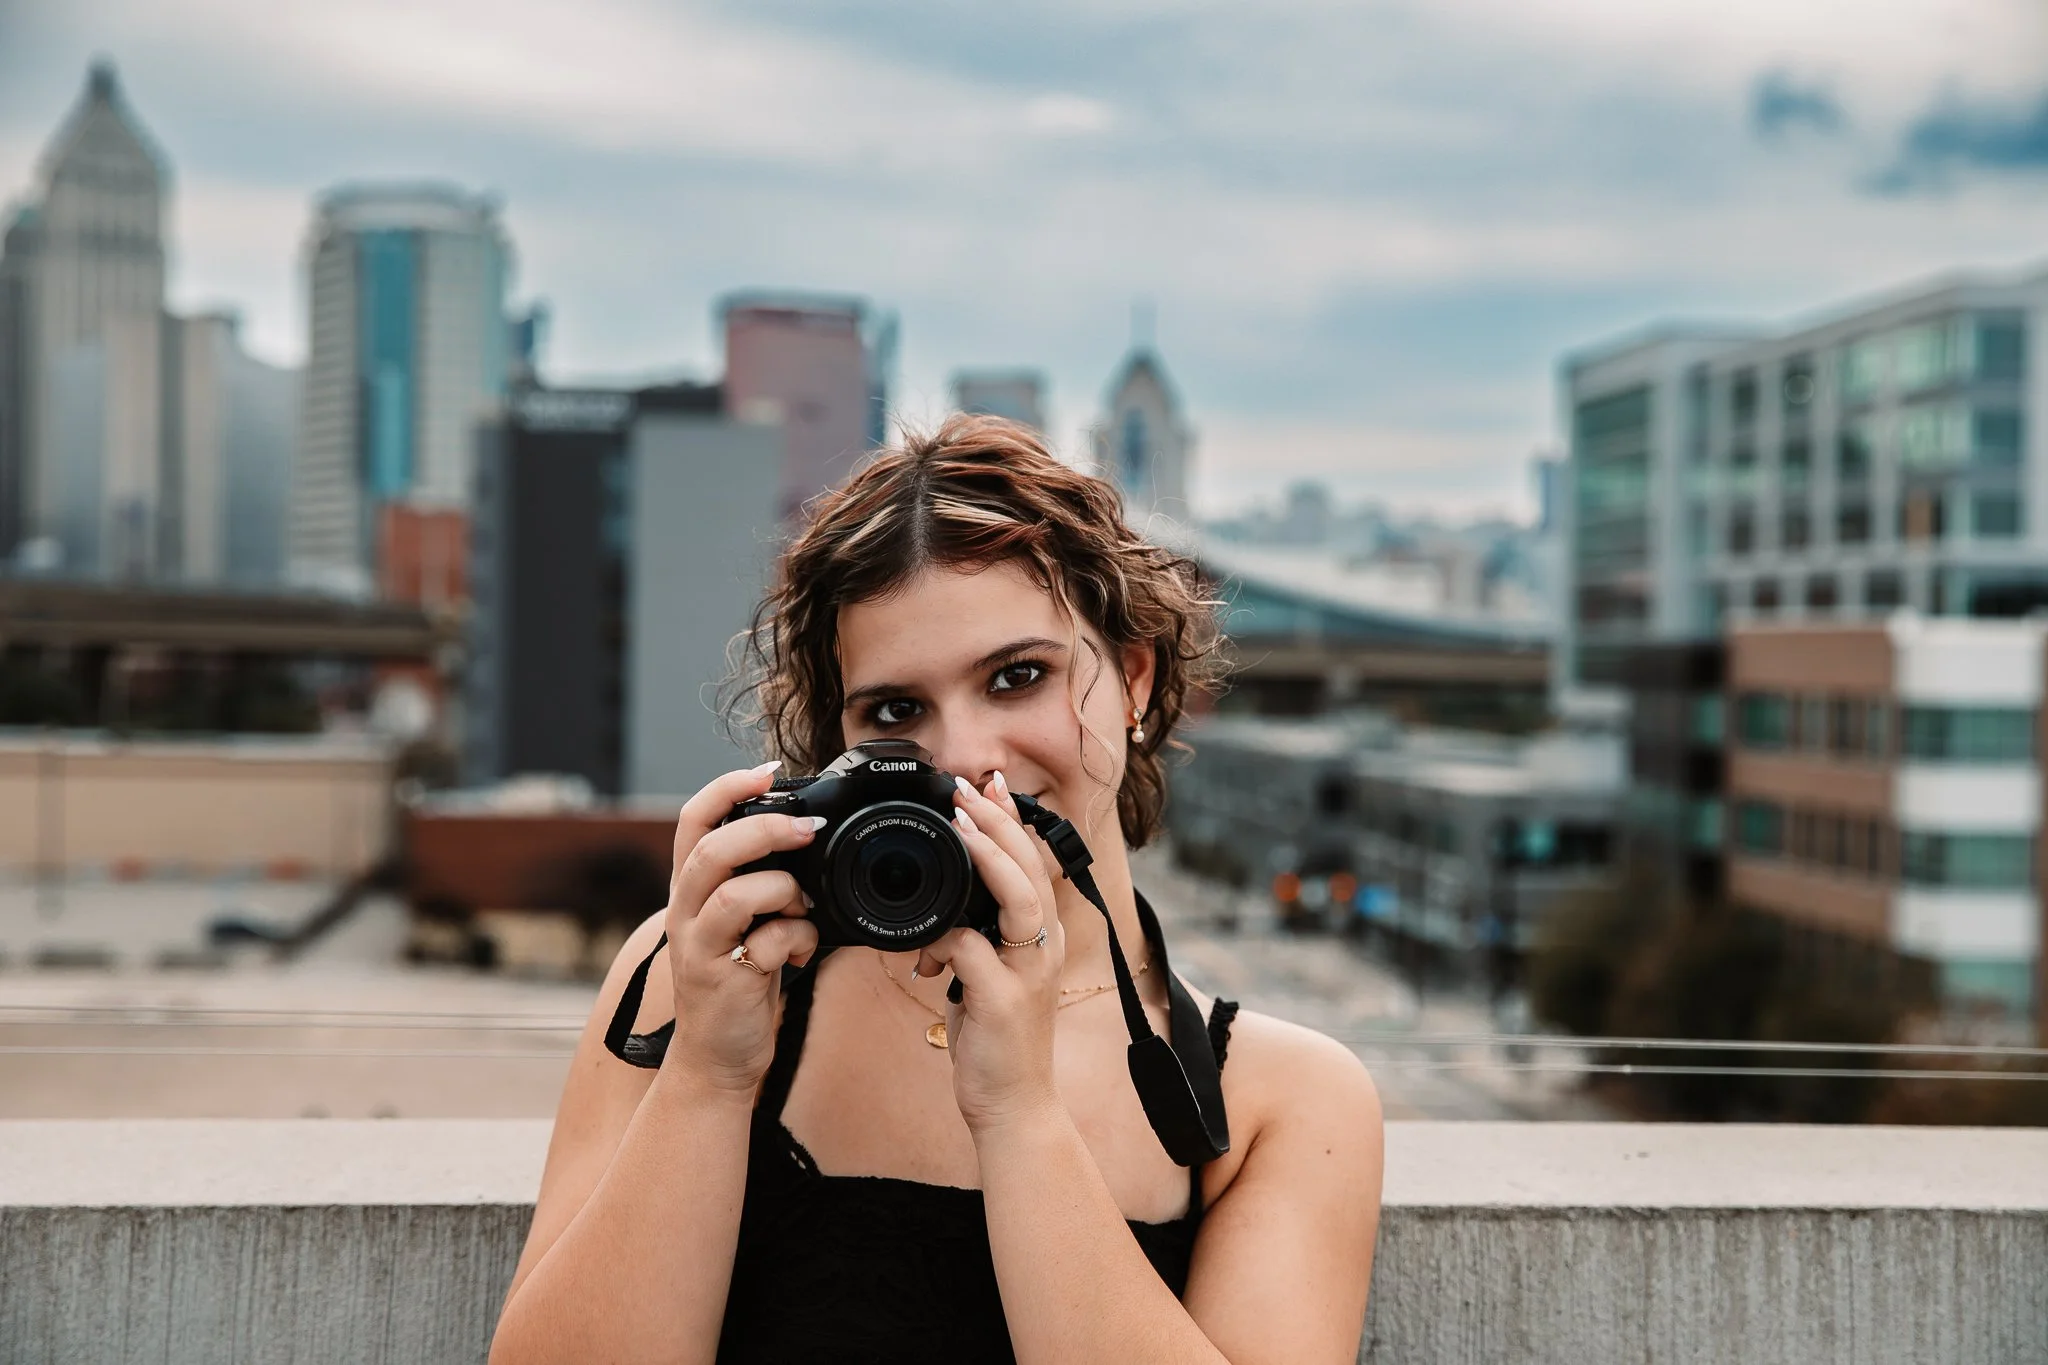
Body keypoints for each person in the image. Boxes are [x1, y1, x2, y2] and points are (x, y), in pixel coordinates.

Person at [490, 415, 1384, 1365]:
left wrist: (1019, 1112)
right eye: (895, 710)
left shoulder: (1278, 1100)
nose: (964, 759)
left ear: (1131, 677)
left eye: (1018, 676)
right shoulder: (698, 985)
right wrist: (709, 1078)